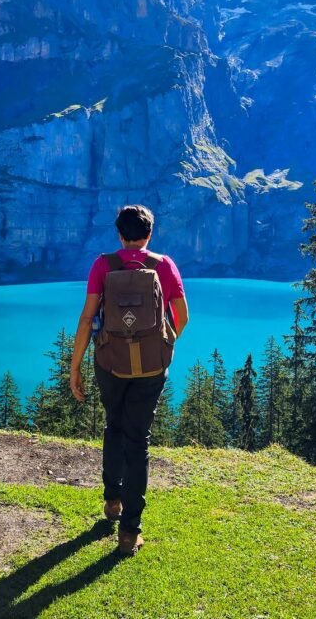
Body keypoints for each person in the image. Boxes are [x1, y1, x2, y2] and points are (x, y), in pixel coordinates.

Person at [69, 204, 189, 556]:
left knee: (114, 425)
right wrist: (163, 343)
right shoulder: (163, 265)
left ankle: (112, 500)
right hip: (151, 368)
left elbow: (87, 319)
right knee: (138, 440)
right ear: (149, 234)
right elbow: (182, 315)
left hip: (110, 363)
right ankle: (129, 531)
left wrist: (75, 366)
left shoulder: (103, 265)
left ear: (119, 234)